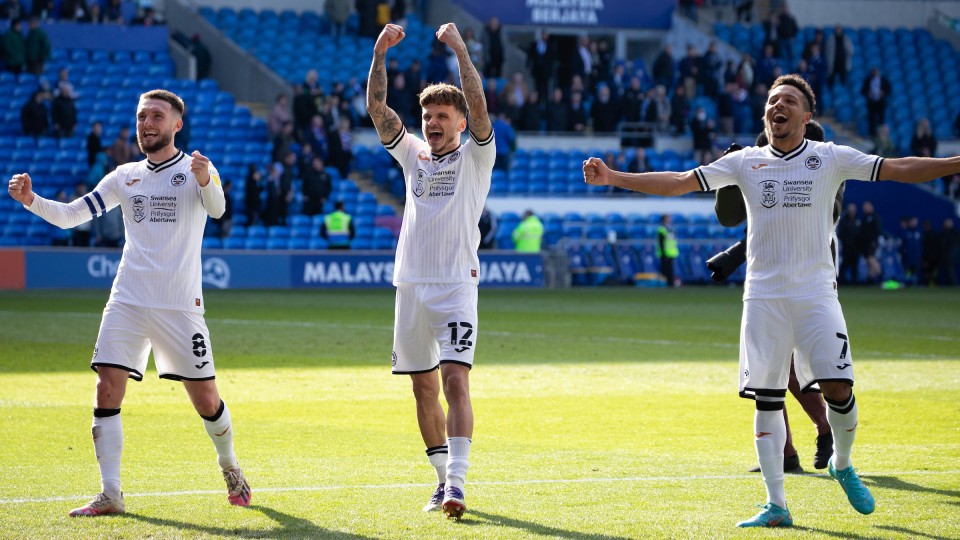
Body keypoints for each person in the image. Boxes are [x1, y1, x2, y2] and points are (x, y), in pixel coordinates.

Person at [583, 73, 960, 528]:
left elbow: (899, 168)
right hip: (763, 296)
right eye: (771, 101)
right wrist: (613, 177)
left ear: (806, 116)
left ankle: (842, 462)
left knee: (839, 389)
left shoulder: (830, 158)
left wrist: (955, 162)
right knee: (766, 398)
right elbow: (681, 181)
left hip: (817, 294)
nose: (777, 106)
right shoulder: (745, 162)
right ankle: (777, 504)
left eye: (788, 101)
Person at [7, 89, 251, 517]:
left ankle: (228, 463)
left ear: (177, 124)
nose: (147, 124)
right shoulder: (125, 176)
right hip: (128, 299)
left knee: (206, 400)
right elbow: (71, 216)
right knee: (105, 386)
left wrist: (206, 179)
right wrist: (32, 201)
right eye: (141, 117)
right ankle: (111, 492)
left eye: (156, 116)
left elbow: (217, 210)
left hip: (179, 305)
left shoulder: (197, 169)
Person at [366, 21, 493, 520]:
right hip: (411, 287)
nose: (432, 122)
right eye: (427, 115)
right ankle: (441, 482)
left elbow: (480, 107)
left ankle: (459, 483)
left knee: (455, 382)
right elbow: (378, 109)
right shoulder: (413, 155)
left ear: (460, 122)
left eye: (442, 115)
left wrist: (460, 48)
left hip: (456, 286)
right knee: (422, 387)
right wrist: (380, 53)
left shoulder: (477, 157)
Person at [707, 121, 834, 474]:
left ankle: (826, 429)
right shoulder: (765, 170)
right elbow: (731, 218)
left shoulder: (824, 166)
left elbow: (812, 218)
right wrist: (732, 177)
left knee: (798, 372)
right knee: (768, 372)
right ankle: (786, 454)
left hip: (810, 284)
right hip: (766, 285)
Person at [861, 67, 891, 136]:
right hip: (871, 104)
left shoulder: (884, 80)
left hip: (881, 103)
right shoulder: (868, 80)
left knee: (881, 120)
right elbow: (862, 91)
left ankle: (881, 135)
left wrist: (883, 93)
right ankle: (873, 135)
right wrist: (868, 93)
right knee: (871, 120)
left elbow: (889, 90)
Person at [656, 214, 678, 286]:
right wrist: (663, 253)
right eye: (668, 218)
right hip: (665, 253)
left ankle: (670, 283)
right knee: (665, 270)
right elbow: (661, 243)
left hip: (671, 253)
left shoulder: (671, 228)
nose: (669, 219)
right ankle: (664, 284)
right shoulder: (661, 229)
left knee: (670, 270)